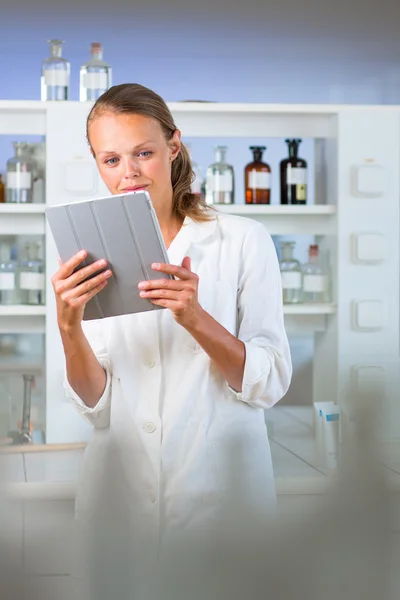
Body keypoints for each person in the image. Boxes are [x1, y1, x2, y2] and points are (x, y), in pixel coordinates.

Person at [51, 83, 292, 599]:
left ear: (173, 147)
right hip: (121, 503)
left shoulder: (241, 241)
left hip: (221, 500)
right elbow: (96, 406)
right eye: (111, 159)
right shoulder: (86, 254)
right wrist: (68, 326)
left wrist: (196, 318)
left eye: (144, 153)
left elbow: (268, 382)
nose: (129, 172)